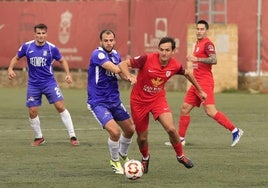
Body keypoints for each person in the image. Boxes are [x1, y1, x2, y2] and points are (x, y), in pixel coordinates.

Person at [118, 37, 207, 173]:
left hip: (158, 100)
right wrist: (130, 76)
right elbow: (123, 64)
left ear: (173, 51)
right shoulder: (146, 59)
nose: (164, 53)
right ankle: (145, 157)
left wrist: (200, 90)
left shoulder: (175, 65)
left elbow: (187, 74)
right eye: (161, 50)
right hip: (138, 102)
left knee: (171, 129)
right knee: (142, 138)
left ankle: (180, 156)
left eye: (167, 50)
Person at [8, 23, 79, 147]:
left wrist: (68, 74)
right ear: (34, 34)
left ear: (46, 34)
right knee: (32, 111)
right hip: (33, 84)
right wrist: (10, 69)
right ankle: (39, 137)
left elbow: (62, 60)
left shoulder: (52, 48)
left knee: (60, 106)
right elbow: (15, 58)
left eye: (43, 33)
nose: (41, 36)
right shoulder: (27, 46)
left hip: (49, 83)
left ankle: (73, 136)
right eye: (38, 33)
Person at [178, 20, 243, 147]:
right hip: (195, 82)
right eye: (197, 29)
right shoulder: (197, 44)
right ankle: (180, 140)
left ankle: (235, 131)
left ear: (206, 31)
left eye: (202, 29)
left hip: (205, 82)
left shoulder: (208, 44)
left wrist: (197, 59)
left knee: (210, 111)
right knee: (185, 108)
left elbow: (214, 60)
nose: (199, 31)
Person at [87, 29, 135, 174]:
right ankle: (114, 161)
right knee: (115, 132)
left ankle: (123, 155)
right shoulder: (98, 54)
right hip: (98, 101)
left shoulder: (115, 54)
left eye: (111, 40)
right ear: (100, 42)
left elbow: (121, 72)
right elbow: (115, 69)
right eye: (105, 40)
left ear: (114, 41)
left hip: (114, 100)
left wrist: (130, 77)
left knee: (130, 130)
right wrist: (130, 76)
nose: (108, 43)